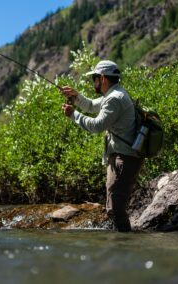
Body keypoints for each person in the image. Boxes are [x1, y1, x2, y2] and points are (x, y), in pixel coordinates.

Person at [60, 60, 143, 232]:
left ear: (103, 78)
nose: (93, 82)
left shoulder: (115, 98)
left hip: (123, 159)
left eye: (94, 78)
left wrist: (73, 114)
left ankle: (125, 248)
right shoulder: (113, 94)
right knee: (114, 207)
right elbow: (91, 105)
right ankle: (122, 246)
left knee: (115, 209)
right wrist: (76, 96)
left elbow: (97, 125)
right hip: (121, 157)